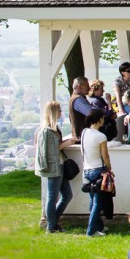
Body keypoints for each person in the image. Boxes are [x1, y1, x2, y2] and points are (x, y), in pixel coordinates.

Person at [35, 100, 75, 233]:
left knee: (67, 195)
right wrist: (67, 143)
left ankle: (53, 222)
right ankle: (51, 226)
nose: (61, 113)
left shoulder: (54, 129)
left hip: (60, 165)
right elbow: (49, 150)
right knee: (52, 196)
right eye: (59, 111)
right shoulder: (45, 131)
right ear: (53, 112)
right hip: (53, 166)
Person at [81, 109, 111, 237]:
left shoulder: (84, 132)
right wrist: (109, 169)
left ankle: (100, 227)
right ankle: (91, 231)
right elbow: (105, 156)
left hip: (86, 170)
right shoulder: (100, 136)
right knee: (97, 203)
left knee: (92, 201)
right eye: (103, 118)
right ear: (99, 119)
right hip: (98, 169)